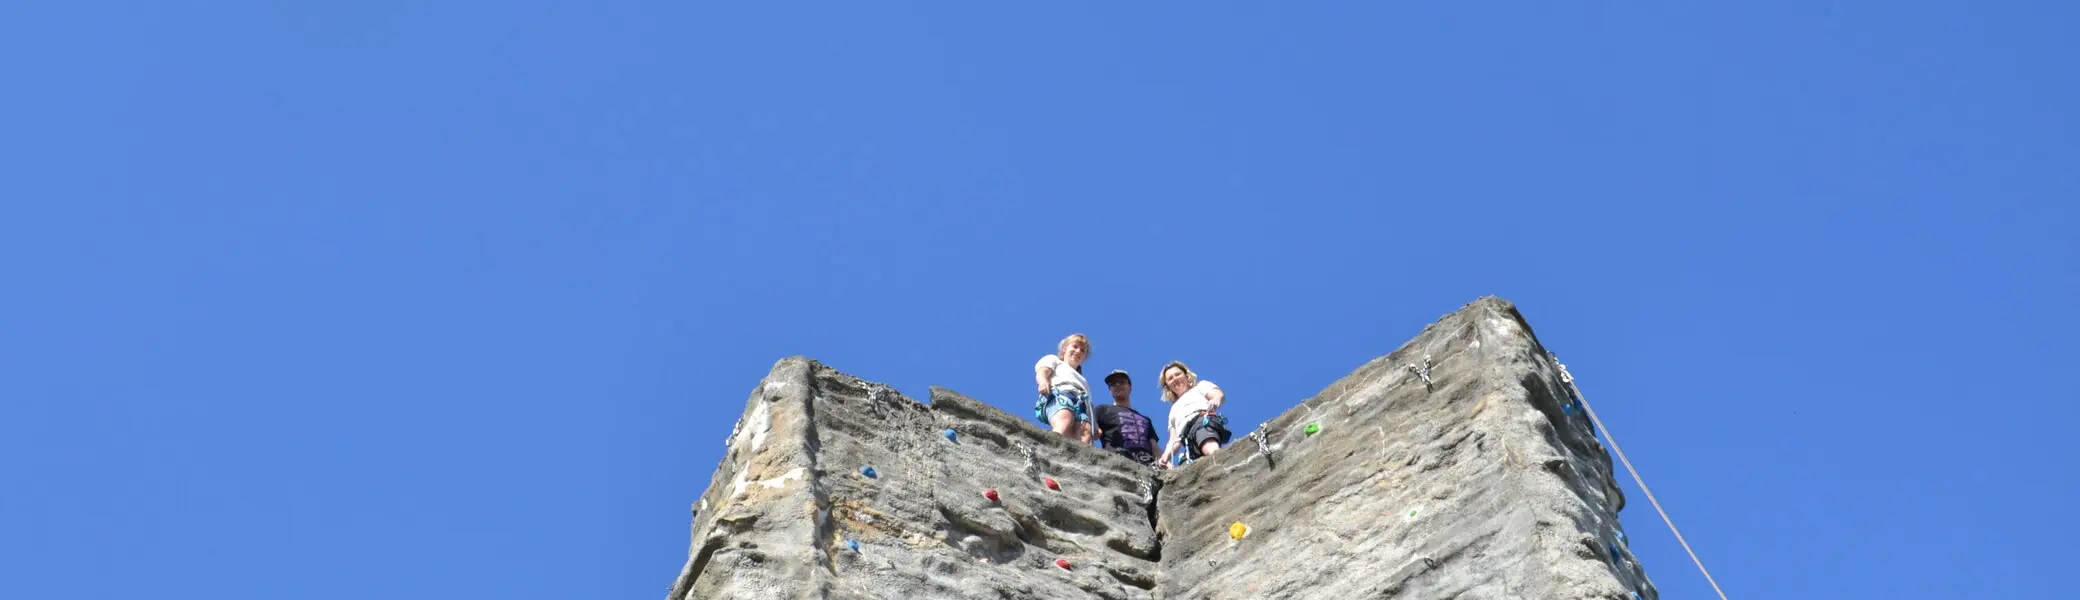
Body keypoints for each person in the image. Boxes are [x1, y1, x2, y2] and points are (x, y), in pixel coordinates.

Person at [1156, 360, 1229, 468]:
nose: (1175, 379)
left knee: (1209, 446)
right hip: (1187, 438)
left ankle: (1221, 464)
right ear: (1168, 386)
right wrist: (1166, 455)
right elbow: (1174, 440)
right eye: (1170, 378)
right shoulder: (1173, 410)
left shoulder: (1200, 386)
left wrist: (1215, 399)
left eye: (1177, 374)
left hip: (1201, 421)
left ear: (1186, 376)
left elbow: (1218, 394)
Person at [1033, 333, 1098, 444]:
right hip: (1060, 395)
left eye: (1082, 351)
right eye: (1075, 347)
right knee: (1064, 421)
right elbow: (1042, 371)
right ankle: (1049, 447)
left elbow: (1089, 404)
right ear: (1064, 349)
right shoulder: (1055, 360)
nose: (1078, 351)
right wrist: (1043, 381)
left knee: (1086, 435)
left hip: (1081, 403)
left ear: (1084, 357)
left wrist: (1095, 425)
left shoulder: (1083, 381)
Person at [1094, 369, 1160, 467]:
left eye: (1122, 382)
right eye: (1113, 384)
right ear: (1110, 390)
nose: (1117, 385)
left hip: (1146, 464)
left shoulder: (1145, 419)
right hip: (1117, 462)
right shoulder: (1102, 410)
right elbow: (1090, 431)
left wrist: (1165, 461)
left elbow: (1154, 447)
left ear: (1130, 387)